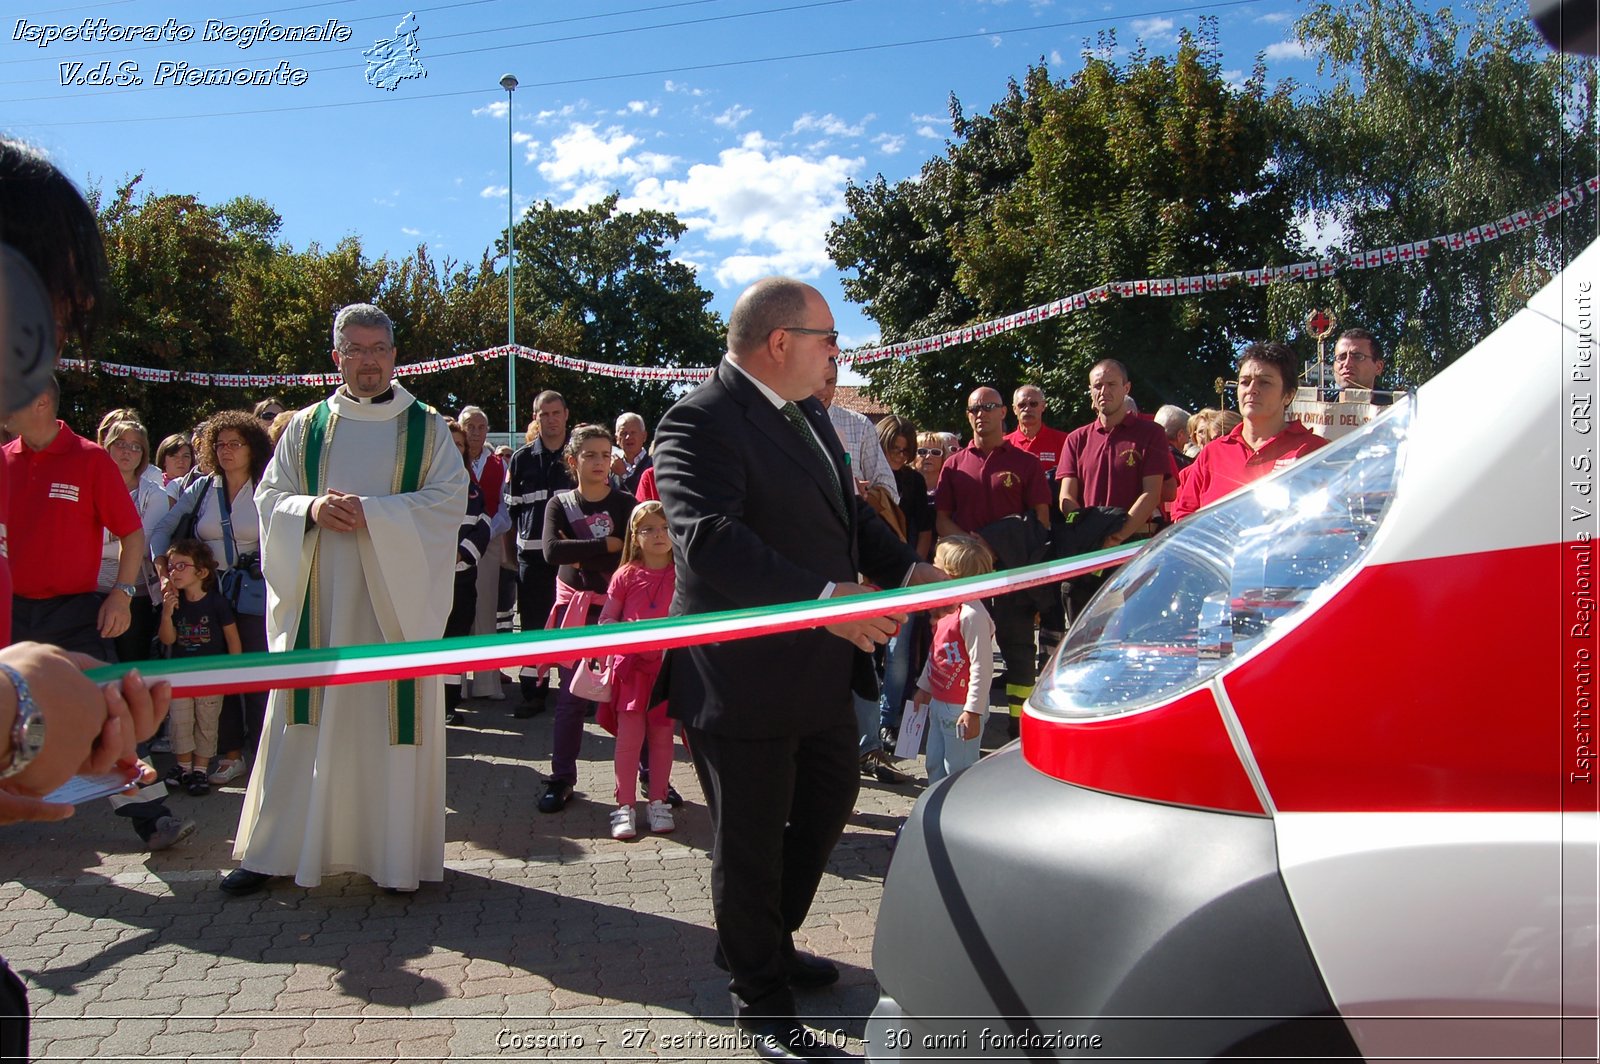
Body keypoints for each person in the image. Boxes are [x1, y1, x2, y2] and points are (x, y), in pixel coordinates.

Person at [654, 276, 938, 1062]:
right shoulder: (697, 419)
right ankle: (762, 1002)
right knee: (748, 841)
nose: (837, 354)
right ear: (779, 343)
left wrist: (913, 575)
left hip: (817, 669)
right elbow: (707, 538)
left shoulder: (812, 414)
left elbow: (846, 518)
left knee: (827, 799)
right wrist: (823, 600)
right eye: (828, 339)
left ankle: (763, 942)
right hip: (739, 679)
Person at [219, 302, 468, 897]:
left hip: (392, 613)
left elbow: (448, 502)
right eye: (356, 350)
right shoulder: (305, 427)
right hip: (320, 607)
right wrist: (309, 509)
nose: (369, 362)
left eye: (379, 349)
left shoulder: (427, 428)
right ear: (337, 357)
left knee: (385, 724)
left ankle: (393, 858)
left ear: (394, 356)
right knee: (301, 719)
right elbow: (269, 499)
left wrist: (373, 514)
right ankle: (275, 852)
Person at [151, 411, 273, 788]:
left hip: (255, 595)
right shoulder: (202, 487)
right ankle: (230, 754)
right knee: (216, 676)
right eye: (220, 444)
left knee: (255, 676)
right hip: (206, 595)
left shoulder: (269, 485)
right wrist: (163, 572)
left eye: (235, 443)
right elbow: (163, 529)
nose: (226, 451)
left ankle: (265, 756)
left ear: (252, 448)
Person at [934, 386, 1050, 742]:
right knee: (967, 650)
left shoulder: (1026, 464)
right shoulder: (953, 465)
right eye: (973, 409)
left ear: (1004, 413)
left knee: (1017, 650)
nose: (980, 413)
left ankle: (1020, 727)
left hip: (1012, 573)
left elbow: (1042, 520)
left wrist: (997, 544)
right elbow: (941, 520)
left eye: (988, 406)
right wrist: (975, 549)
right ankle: (967, 722)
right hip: (968, 577)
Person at [537, 423, 636, 814]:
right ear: (572, 460)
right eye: (590, 455)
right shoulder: (559, 504)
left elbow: (631, 554)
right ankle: (561, 778)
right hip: (576, 612)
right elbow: (551, 551)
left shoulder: (626, 503)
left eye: (604, 453)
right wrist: (604, 545)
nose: (599, 462)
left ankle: (647, 774)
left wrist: (581, 553)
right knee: (571, 699)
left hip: (619, 610)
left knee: (631, 697)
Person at [1057, 359, 1177, 627]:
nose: (1104, 391)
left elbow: (1152, 493)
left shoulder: (1151, 434)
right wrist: (1092, 537)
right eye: (1097, 385)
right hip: (1090, 551)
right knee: (1086, 635)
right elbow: (1066, 497)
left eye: (1111, 384)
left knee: (1137, 630)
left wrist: (1117, 536)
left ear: (1126, 388)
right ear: (1090, 391)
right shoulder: (1076, 439)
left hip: (1135, 546)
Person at [1171, 342, 1330, 521]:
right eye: (1245, 382)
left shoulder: (1315, 452)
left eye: (1264, 383)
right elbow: (1183, 518)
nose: (1252, 390)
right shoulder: (1212, 453)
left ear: (1288, 395)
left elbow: (1330, 521)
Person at [597, 500, 676, 839]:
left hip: (667, 669)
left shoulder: (684, 573)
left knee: (662, 738)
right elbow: (606, 619)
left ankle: (658, 802)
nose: (659, 535)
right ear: (635, 535)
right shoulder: (625, 575)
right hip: (631, 672)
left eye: (665, 527)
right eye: (649, 529)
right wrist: (620, 636)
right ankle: (623, 806)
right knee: (629, 740)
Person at [504, 390, 574, 718]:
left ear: (566, 415)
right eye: (543, 414)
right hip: (530, 558)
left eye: (555, 413)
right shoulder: (520, 460)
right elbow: (510, 515)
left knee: (572, 626)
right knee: (533, 627)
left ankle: (575, 692)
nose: (550, 419)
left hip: (571, 559)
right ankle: (533, 693)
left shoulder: (577, 456)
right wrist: (509, 555)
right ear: (535, 418)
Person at [156, 540, 240, 795]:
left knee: (206, 722)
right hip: (181, 675)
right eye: (171, 567)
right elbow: (167, 639)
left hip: (211, 676)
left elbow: (232, 639)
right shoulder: (175, 603)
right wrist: (167, 614)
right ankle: (183, 766)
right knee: (180, 721)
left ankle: (201, 770)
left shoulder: (217, 603)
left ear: (201, 572)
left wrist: (236, 671)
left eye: (182, 566)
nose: (174, 572)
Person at [911, 535, 996, 785]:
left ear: (950, 575)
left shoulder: (972, 615)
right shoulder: (946, 608)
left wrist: (973, 710)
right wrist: (924, 688)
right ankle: (935, 811)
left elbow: (982, 665)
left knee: (958, 769)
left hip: (961, 708)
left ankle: (959, 812)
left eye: (936, 564)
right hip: (939, 702)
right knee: (934, 762)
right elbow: (936, 652)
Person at [97, 417, 170, 667]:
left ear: (144, 454)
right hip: (88, 593)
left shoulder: (155, 495)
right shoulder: (89, 487)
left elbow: (143, 544)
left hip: (136, 597)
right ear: (106, 446)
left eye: (135, 446)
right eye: (120, 443)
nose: (127, 451)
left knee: (130, 669)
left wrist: (107, 541)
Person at [458, 406, 508, 702]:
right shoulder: (449, 460)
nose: (475, 432)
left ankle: (487, 683)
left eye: (480, 427)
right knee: (457, 614)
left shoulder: (498, 464)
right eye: (469, 427)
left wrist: (488, 530)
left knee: (486, 610)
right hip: (454, 546)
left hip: (487, 544)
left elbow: (504, 506)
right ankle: (456, 684)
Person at [442, 419, 491, 727]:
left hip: (462, 576)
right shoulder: (421, 487)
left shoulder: (472, 489)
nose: (454, 449)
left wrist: (461, 553)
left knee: (455, 641)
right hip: (430, 579)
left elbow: (483, 525)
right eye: (448, 444)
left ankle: (449, 702)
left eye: (458, 445)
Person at [815, 358, 897, 501]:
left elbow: (889, 489)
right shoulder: (785, 419)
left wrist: (863, 494)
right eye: (816, 380)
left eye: (830, 382)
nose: (822, 390)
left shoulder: (860, 425)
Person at [1004, 384, 1069, 471]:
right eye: (1022, 405)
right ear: (1014, 409)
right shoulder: (1003, 445)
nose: (1027, 408)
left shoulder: (1064, 441)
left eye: (1033, 404)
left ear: (1043, 406)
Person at [1333, 327, 1387, 393]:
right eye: (1341, 357)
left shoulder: (1398, 403)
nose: (1347, 364)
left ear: (1378, 367)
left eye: (1357, 357)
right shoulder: (1322, 403)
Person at [613, 412, 652, 494]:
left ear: (644, 436)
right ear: (617, 438)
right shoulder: (612, 468)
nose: (628, 437)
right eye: (624, 433)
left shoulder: (654, 465)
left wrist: (624, 476)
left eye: (633, 432)